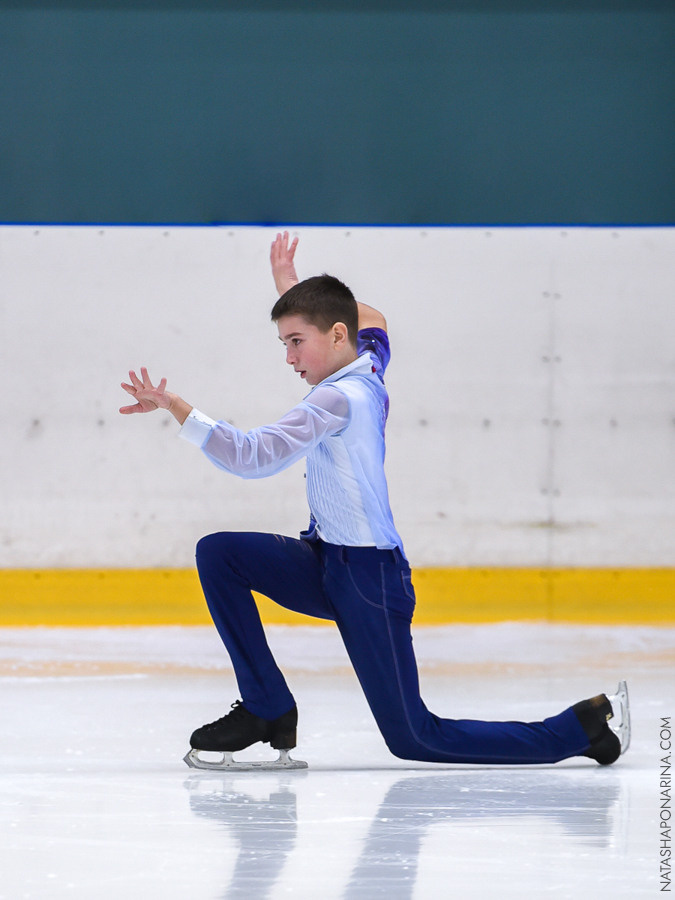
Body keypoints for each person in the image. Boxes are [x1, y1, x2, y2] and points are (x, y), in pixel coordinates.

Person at [119, 232, 630, 769]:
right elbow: (375, 318)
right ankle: (267, 706)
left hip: (369, 580)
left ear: (339, 335)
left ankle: (577, 729)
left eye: (296, 341)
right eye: (284, 343)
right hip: (325, 561)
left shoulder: (337, 400)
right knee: (219, 553)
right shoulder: (366, 361)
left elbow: (254, 456)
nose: (289, 357)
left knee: (415, 738)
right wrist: (296, 292)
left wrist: (178, 407)